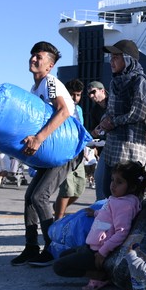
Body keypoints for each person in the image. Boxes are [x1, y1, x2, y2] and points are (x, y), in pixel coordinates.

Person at [11, 41, 77, 267]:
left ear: (49, 66)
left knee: (40, 196)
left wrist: (38, 138)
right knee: (30, 197)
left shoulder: (50, 82)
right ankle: (31, 247)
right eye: (32, 55)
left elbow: (64, 111)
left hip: (67, 149)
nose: (33, 59)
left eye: (39, 57)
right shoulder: (34, 89)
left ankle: (52, 247)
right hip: (51, 150)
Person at [52, 160, 146, 290]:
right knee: (63, 255)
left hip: (98, 252)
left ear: (132, 187)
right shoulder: (119, 200)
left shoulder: (124, 205)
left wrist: (102, 253)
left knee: (59, 266)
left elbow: (122, 232)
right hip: (92, 247)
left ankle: (99, 275)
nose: (113, 185)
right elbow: (109, 216)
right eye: (112, 180)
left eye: (119, 182)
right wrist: (96, 213)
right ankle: (95, 270)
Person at [93, 39, 146, 201]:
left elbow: (138, 113)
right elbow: (110, 110)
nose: (111, 61)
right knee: (106, 189)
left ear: (128, 59)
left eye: (116, 57)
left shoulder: (140, 81)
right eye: (111, 57)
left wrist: (113, 122)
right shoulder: (114, 82)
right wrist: (104, 121)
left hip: (130, 148)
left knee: (128, 197)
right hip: (112, 146)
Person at [53, 79, 87, 219]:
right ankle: (58, 221)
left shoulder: (79, 110)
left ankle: (57, 207)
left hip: (78, 152)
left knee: (79, 188)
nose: (75, 98)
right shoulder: (59, 107)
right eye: (72, 94)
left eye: (78, 95)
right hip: (65, 151)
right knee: (67, 189)